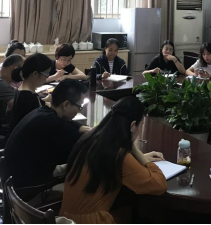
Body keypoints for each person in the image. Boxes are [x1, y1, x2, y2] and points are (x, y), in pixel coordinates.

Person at [60, 96, 167, 224]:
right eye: (141, 125)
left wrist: (136, 154)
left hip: (64, 219)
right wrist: (137, 152)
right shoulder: (118, 155)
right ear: (133, 125)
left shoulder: (89, 139)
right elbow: (159, 185)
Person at [5, 80, 90, 188]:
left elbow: (65, 124)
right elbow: (85, 149)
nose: (79, 111)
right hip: (30, 190)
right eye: (79, 107)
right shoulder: (56, 126)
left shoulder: (42, 111)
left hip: (15, 178)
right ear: (66, 105)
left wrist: (79, 127)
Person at [9, 53, 53, 132]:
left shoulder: (21, 90)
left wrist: (46, 100)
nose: (47, 78)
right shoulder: (29, 98)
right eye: (46, 74)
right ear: (35, 74)